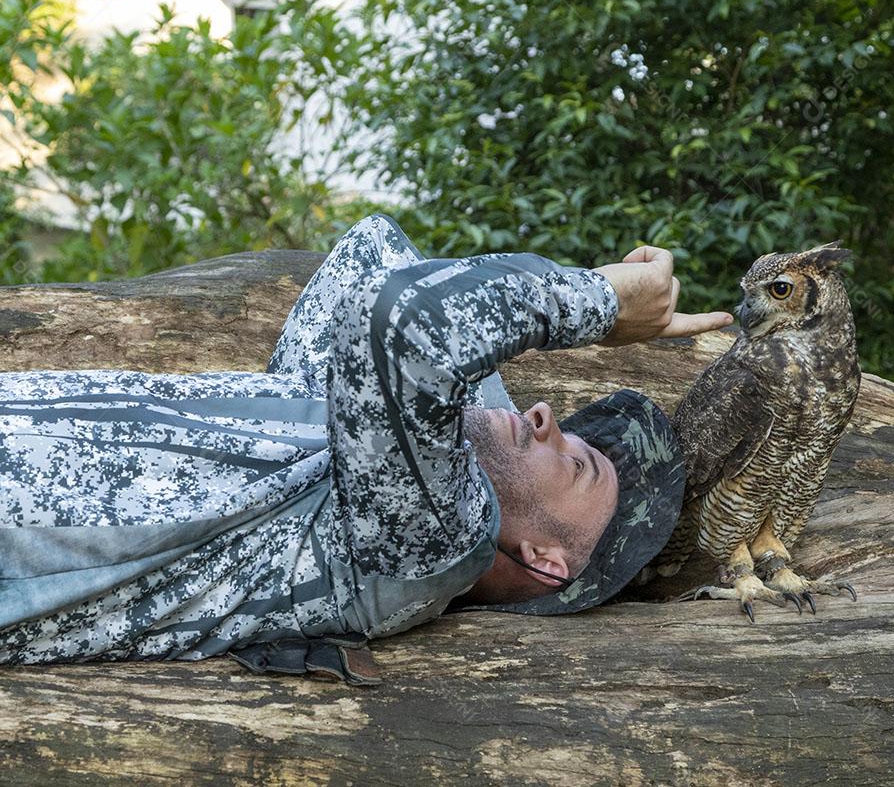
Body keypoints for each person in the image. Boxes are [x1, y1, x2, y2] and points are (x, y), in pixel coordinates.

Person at [0, 214, 731, 684]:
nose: (546, 416)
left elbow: (409, 325)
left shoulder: (429, 548)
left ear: (543, 559)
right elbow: (370, 258)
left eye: (576, 461)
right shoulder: (367, 470)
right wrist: (546, 317)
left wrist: (595, 303)